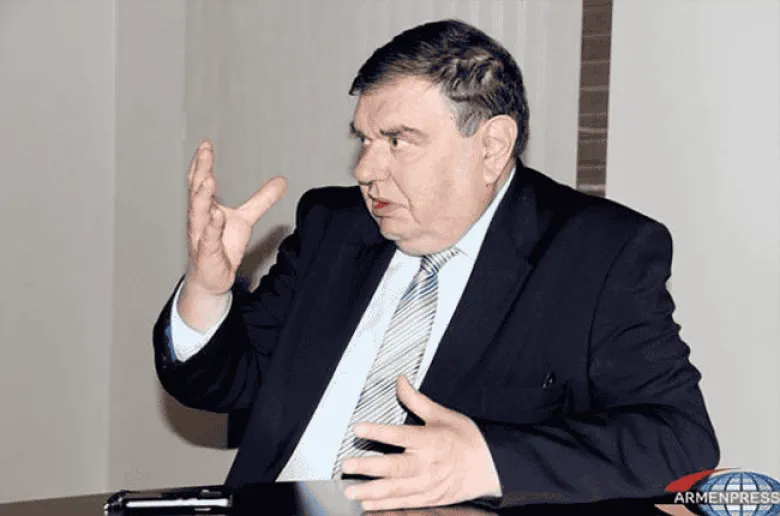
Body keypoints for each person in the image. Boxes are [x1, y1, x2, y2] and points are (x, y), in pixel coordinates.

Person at [153, 19, 719, 510]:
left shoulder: (597, 253)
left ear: (492, 146)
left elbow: (680, 439)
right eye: (364, 139)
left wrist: (488, 461)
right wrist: (208, 289)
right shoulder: (334, 226)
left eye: (397, 141)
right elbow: (226, 385)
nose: (364, 170)